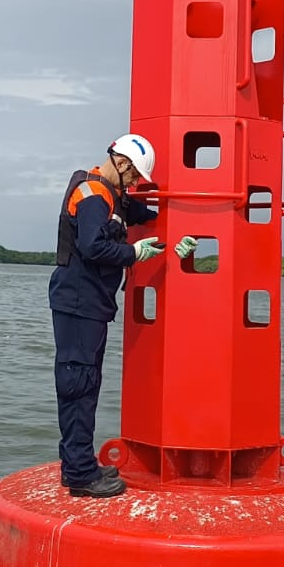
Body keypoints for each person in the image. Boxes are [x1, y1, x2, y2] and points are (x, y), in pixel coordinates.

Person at [48, 133, 196, 498]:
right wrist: (134, 253)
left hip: (89, 306)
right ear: (123, 164)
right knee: (78, 386)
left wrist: (178, 234)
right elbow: (93, 246)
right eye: (133, 178)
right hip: (78, 304)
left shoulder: (112, 197)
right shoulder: (94, 196)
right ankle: (81, 475)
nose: (134, 185)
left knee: (84, 385)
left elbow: (149, 215)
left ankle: (77, 465)